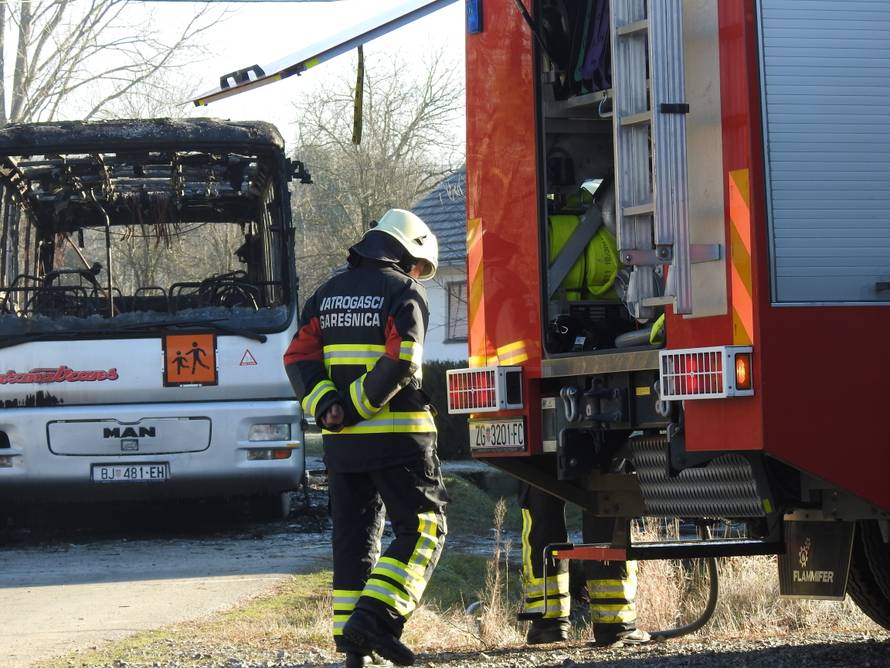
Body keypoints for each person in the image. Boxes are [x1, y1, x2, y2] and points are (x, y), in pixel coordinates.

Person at [283, 209, 448, 668]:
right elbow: (403, 360)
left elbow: (297, 357)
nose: (418, 275)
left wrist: (326, 406)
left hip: (342, 447)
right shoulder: (403, 292)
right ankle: (374, 620)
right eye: (418, 266)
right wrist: (356, 404)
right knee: (424, 530)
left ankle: (352, 646)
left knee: (354, 543)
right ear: (406, 253)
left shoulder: (326, 295)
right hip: (399, 440)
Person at [520, 483, 650, 647]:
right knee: (607, 496)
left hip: (540, 460)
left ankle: (547, 623)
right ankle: (615, 626)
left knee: (539, 499)